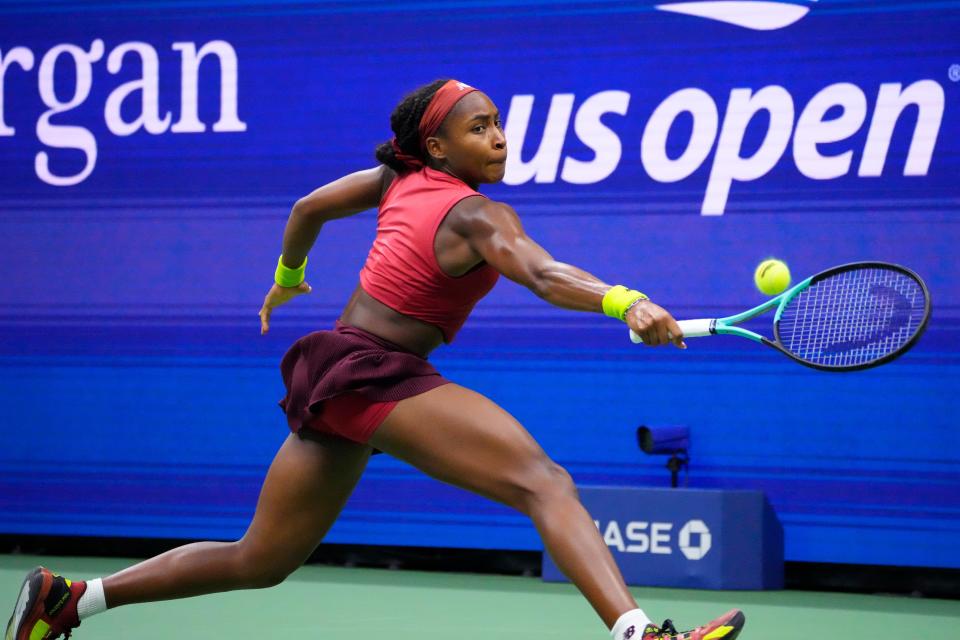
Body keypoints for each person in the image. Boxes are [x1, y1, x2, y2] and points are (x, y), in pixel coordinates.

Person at [6, 79, 745, 640]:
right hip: (374, 373)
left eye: (499, 125)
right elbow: (544, 273)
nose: (499, 139)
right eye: (479, 128)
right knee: (543, 482)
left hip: (337, 370)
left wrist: (289, 280)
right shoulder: (480, 214)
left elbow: (306, 210)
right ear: (437, 149)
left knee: (259, 559)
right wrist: (627, 301)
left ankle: (72, 597)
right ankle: (637, 633)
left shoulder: (397, 180)